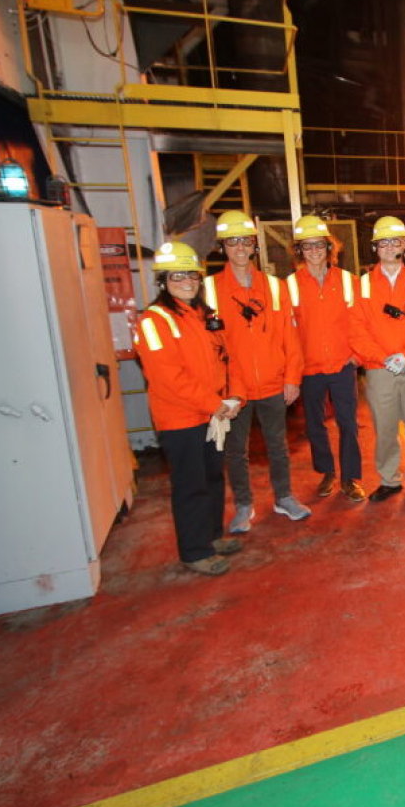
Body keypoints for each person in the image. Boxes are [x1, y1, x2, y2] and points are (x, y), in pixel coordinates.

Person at [134, 241, 245, 575]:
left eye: (192, 276)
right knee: (191, 485)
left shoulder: (205, 316)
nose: (187, 282)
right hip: (181, 420)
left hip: (211, 415)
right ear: (163, 280)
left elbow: (226, 359)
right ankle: (195, 552)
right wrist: (215, 404)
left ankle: (211, 537)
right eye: (178, 276)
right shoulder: (154, 322)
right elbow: (169, 378)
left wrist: (234, 396)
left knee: (212, 478)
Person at [202, 210, 309, 532]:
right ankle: (244, 506)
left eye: (245, 241)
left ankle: (284, 497)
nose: (239, 247)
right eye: (232, 241)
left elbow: (290, 337)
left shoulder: (274, 288)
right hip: (235, 389)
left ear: (253, 246)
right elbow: (206, 346)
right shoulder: (209, 290)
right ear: (223, 246)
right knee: (236, 452)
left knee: (278, 447)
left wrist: (292, 378)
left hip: (274, 383)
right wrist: (218, 390)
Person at [349, 216, 405, 502]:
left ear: (404, 246)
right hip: (380, 370)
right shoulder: (363, 285)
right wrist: (383, 357)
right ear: (375, 247)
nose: (390, 247)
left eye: (395, 241)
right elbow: (355, 329)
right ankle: (389, 480)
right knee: (385, 428)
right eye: (384, 242)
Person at [288, 214, 366, 502]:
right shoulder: (290, 286)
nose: (314, 251)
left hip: (343, 365)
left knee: (347, 422)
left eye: (319, 245)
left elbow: (362, 321)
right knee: (314, 424)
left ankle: (349, 478)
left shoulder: (348, 281)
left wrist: (357, 356)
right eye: (307, 246)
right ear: (299, 251)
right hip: (308, 368)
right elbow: (288, 331)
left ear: (329, 247)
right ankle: (327, 472)